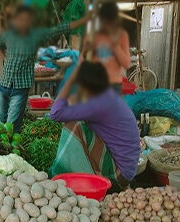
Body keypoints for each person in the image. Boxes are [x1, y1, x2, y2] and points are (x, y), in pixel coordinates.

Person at [0, 6, 91, 132]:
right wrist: (4, 57)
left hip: (20, 86)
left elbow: (60, 28)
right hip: (4, 84)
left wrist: (83, 21)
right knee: (1, 122)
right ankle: (4, 149)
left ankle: (11, 150)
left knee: (11, 126)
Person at [49, 61, 140, 189]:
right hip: (127, 170)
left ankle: (79, 184)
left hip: (120, 175)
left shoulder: (99, 104)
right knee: (78, 122)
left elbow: (56, 113)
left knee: (74, 126)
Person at [83, 2, 130, 94]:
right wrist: (85, 52)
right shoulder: (92, 36)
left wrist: (115, 45)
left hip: (114, 86)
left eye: (110, 22)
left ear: (116, 20)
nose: (108, 25)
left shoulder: (121, 36)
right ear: (101, 20)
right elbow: (82, 63)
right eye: (105, 22)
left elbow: (126, 64)